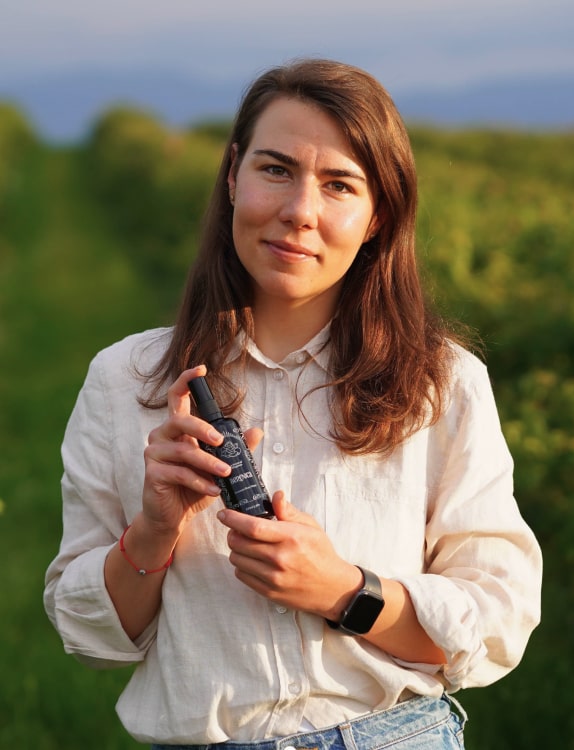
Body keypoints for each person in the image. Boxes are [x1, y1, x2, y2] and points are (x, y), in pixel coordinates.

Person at [44, 58, 542, 750]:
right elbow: (90, 636)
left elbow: (499, 615)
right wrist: (153, 532)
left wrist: (345, 590)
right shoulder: (125, 380)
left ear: (376, 218)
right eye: (275, 169)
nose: (299, 211)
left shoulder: (441, 382)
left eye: (339, 185)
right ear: (232, 176)